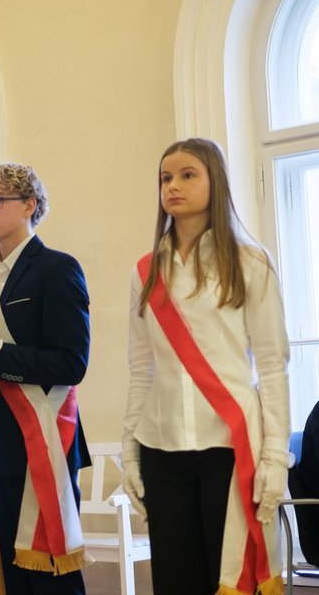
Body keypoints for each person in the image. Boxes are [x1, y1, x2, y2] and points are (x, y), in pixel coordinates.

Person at [122, 138, 289, 595]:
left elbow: (273, 366)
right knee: (176, 582)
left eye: (187, 175)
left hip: (229, 447)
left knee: (231, 579)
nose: (173, 186)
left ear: (215, 182)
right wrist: (129, 449)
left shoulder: (250, 263)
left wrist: (276, 456)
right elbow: (141, 369)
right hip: (162, 448)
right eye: (165, 177)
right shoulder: (145, 273)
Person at [0, 162, 91, 594]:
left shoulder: (56, 268)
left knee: (50, 568)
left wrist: (0, 356)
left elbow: (72, 363)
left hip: (47, 433)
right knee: (8, 568)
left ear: (29, 204)